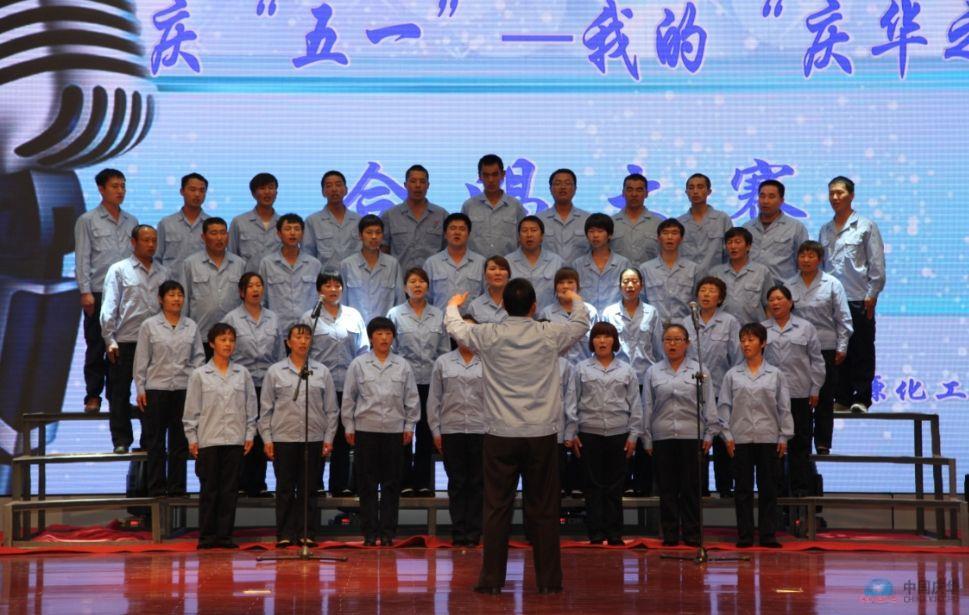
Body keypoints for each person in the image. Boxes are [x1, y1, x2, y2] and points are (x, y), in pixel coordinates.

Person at [444, 279, 590, 595]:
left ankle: (491, 580)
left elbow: (456, 328)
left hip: (500, 433)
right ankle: (549, 581)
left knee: (497, 508)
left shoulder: (489, 334)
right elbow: (581, 324)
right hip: (541, 433)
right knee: (545, 509)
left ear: (504, 307)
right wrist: (575, 298)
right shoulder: (549, 333)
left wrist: (453, 305)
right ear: (534, 306)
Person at [341, 317, 420, 546]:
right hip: (366, 430)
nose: (384, 338)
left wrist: (409, 426)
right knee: (366, 484)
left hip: (394, 431)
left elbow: (412, 399)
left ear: (393, 337)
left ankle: (387, 533)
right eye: (379, 334)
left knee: (391, 485)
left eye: (388, 333)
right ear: (371, 337)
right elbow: (349, 398)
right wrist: (349, 425)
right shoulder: (358, 364)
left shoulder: (402, 365)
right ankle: (369, 532)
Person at [260, 323, 339, 548]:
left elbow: (332, 409)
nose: (303, 341)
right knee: (284, 489)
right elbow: (266, 409)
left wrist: (329, 438)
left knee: (309, 489)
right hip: (283, 438)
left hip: (313, 438)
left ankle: (307, 533)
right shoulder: (275, 371)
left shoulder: (321, 371)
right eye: (298, 337)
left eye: (307, 338)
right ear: (288, 342)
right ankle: (285, 533)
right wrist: (267, 438)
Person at [716, 322, 793, 548]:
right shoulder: (732, 375)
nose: (746, 344)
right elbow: (724, 407)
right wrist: (727, 435)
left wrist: (784, 436)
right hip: (740, 438)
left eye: (751, 340)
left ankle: (768, 535)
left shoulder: (775, 374)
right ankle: (745, 535)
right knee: (742, 490)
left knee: (769, 489)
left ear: (763, 343)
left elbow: (784, 407)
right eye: (743, 340)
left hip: (769, 437)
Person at [564, 322, 642, 545]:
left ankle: (614, 532)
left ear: (614, 341)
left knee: (615, 487)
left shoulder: (626, 370)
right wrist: (572, 432)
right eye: (597, 336)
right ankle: (596, 533)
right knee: (592, 487)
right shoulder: (581, 369)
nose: (602, 341)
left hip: (619, 433)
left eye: (607, 336)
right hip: (589, 433)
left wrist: (634, 435)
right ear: (592, 342)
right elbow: (571, 401)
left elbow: (636, 404)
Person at [183, 322, 258, 549]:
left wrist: (250, 434)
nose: (228, 344)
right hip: (209, 439)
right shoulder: (199, 375)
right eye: (223, 340)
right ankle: (207, 537)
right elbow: (191, 411)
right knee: (209, 491)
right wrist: (192, 438)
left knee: (229, 491)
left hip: (235, 439)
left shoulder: (242, 374)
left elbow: (250, 408)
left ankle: (225, 536)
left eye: (231, 340)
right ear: (212, 343)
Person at [641, 323, 717, 547]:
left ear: (687, 343)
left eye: (677, 340)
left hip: (691, 435)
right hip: (662, 436)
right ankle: (670, 534)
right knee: (667, 488)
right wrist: (646, 437)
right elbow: (647, 405)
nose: (672, 344)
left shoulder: (699, 370)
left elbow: (708, 403)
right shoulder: (653, 371)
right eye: (668, 340)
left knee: (691, 488)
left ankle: (692, 533)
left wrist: (710, 433)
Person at [818, 176, 886, 414]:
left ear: (851, 195)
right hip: (832, 300)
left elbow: (876, 263)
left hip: (859, 298)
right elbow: (822, 266)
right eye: (831, 193)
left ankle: (861, 398)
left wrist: (872, 293)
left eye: (840, 193)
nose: (835, 197)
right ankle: (842, 397)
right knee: (838, 350)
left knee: (861, 348)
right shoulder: (825, 230)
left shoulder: (866, 226)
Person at [101, 225, 170, 453]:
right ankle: (121, 440)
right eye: (146, 240)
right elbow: (109, 305)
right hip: (125, 341)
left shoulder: (164, 273)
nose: (151, 245)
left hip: (154, 343)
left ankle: (149, 441)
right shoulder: (119, 270)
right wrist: (109, 339)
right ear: (133, 242)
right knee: (119, 392)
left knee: (152, 394)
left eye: (154, 240)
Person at [75, 168, 138, 413]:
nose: (120, 190)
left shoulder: (131, 221)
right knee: (96, 345)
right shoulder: (87, 220)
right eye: (115, 186)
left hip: (126, 295)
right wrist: (85, 291)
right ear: (101, 189)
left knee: (122, 349)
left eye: (123, 186)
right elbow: (82, 257)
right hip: (99, 291)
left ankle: (118, 397)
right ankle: (93, 395)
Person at [133, 280, 205, 497]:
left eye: (180, 295)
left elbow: (199, 357)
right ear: (160, 299)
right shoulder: (149, 325)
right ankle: (156, 488)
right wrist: (140, 387)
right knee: (155, 442)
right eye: (171, 295)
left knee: (179, 443)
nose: (176, 299)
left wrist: (194, 382)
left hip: (183, 389)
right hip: (156, 388)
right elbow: (141, 359)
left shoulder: (191, 326)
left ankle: (177, 488)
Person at [301, 271, 369, 496]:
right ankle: (315, 484)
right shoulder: (310, 317)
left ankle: (340, 486)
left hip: (349, 385)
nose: (333, 289)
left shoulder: (353, 315)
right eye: (327, 285)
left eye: (337, 285)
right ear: (319, 290)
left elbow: (363, 350)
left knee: (343, 436)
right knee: (317, 434)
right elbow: (302, 351)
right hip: (319, 385)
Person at [387, 267, 451, 496]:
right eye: (412, 282)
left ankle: (423, 482)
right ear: (405, 287)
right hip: (403, 381)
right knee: (403, 432)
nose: (417, 285)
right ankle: (404, 481)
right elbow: (391, 351)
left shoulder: (438, 315)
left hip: (431, 382)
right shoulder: (395, 314)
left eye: (422, 281)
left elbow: (444, 351)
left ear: (428, 287)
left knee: (426, 432)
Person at [600, 267, 663, 497]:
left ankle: (644, 484)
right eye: (626, 281)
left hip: (645, 377)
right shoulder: (609, 312)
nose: (630, 285)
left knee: (645, 429)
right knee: (621, 429)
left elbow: (658, 348)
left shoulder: (652, 313)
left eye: (634, 281)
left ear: (641, 286)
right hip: (618, 378)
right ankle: (623, 481)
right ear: (619, 285)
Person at [677, 276, 741, 498]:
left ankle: (725, 486)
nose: (706, 294)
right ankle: (700, 487)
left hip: (721, 388)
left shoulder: (730, 322)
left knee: (722, 436)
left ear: (720, 298)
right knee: (698, 439)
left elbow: (737, 356)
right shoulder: (687, 323)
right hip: (693, 390)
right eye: (703, 290)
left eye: (712, 291)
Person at [786, 241, 852, 455]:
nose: (806, 260)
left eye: (811, 256)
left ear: (820, 259)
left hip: (826, 346)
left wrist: (842, 346)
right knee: (799, 398)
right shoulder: (788, 285)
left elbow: (843, 318)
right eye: (802, 256)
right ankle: (799, 442)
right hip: (797, 349)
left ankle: (823, 442)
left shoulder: (832, 284)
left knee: (824, 396)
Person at [427, 314, 486, 546]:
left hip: (481, 429)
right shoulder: (443, 362)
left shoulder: (488, 360)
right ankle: (459, 532)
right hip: (451, 430)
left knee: (478, 483)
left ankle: (475, 532)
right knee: (457, 483)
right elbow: (434, 399)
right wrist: (435, 430)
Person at [223, 272, 283, 497]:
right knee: (243, 431)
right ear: (241, 292)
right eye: (250, 286)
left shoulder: (273, 318)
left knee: (265, 430)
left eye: (259, 285)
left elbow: (279, 353)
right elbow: (225, 351)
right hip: (241, 380)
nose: (256, 289)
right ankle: (240, 482)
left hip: (267, 381)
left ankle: (258, 483)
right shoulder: (231, 318)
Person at [762, 285, 825, 498]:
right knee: (773, 447)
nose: (775, 303)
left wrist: (815, 388)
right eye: (771, 299)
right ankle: (777, 495)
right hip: (770, 397)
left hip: (800, 395)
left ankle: (801, 493)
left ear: (790, 302)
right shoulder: (761, 329)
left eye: (779, 298)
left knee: (800, 445)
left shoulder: (806, 327)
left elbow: (817, 360)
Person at [181, 217, 245, 355]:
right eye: (214, 233)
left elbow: (245, 301)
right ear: (203, 237)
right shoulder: (190, 264)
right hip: (200, 336)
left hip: (232, 337)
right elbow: (184, 301)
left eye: (223, 233)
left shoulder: (240, 264)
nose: (219, 237)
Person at [258, 213, 322, 334]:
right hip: (277, 330)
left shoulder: (314, 264)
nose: (292, 233)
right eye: (287, 229)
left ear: (302, 234)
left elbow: (320, 300)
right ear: (279, 234)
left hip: (308, 330)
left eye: (297, 229)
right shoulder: (267, 263)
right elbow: (261, 299)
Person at [340, 214, 404, 324]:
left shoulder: (392, 264)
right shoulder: (347, 265)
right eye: (369, 232)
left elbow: (400, 301)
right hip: (355, 328)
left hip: (385, 329)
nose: (374, 237)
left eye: (378, 232)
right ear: (360, 235)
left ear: (382, 236)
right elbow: (342, 302)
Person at [381, 164, 447, 271]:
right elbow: (383, 251)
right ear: (405, 185)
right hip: (400, 278)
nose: (418, 185)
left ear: (428, 185)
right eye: (413, 181)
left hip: (434, 278)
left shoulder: (442, 215)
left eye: (422, 182)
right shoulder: (390, 215)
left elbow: (448, 249)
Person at [743, 179, 809, 283]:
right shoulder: (747, 228)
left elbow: (805, 262)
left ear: (781, 201)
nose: (765, 201)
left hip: (783, 288)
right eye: (762, 196)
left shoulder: (796, 227)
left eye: (771, 196)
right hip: (751, 287)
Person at [461, 154, 527, 257]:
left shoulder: (516, 206)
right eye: (486, 175)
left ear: (503, 175)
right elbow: (462, 239)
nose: (490, 180)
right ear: (480, 176)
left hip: (508, 264)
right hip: (476, 265)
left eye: (495, 174)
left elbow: (523, 239)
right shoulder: (469, 206)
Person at [709, 227, 774, 326]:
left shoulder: (762, 272)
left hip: (754, 330)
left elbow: (769, 305)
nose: (733, 246)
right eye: (729, 242)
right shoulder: (715, 273)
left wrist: (769, 330)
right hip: (722, 329)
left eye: (737, 242)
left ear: (748, 246)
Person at [640, 218, 698, 323]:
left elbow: (697, 302)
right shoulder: (645, 269)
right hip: (654, 326)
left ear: (681, 239)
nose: (669, 237)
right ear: (658, 238)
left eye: (674, 233)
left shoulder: (693, 268)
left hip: (684, 326)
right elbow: (641, 301)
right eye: (665, 233)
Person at [571, 213, 630, 314]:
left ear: (610, 234)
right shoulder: (577, 265)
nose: (595, 235)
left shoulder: (623, 264)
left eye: (600, 231)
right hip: (585, 318)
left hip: (615, 319)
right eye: (591, 231)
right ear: (586, 235)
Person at [423, 212, 485, 310]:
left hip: (471, 319)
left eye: (462, 229)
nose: (457, 232)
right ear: (445, 234)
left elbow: (485, 296)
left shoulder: (481, 263)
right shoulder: (431, 263)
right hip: (440, 319)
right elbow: (425, 298)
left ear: (468, 234)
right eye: (452, 228)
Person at [303, 170, 361, 273]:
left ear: (346, 190)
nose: (334, 189)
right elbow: (307, 255)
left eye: (338, 185)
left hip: (354, 278)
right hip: (324, 279)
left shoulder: (358, 220)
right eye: (329, 186)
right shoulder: (312, 221)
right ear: (323, 192)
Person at [538, 267, 597, 365]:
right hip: (557, 368)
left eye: (570, 282)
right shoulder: (546, 313)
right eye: (561, 282)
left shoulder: (590, 311)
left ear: (578, 286)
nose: (565, 286)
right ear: (555, 287)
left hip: (585, 368)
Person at [677, 173, 732, 276]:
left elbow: (730, 253)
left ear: (709, 191)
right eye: (691, 188)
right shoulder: (679, 223)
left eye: (700, 187)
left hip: (716, 279)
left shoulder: (722, 219)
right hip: (686, 279)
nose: (695, 191)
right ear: (686, 192)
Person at [506, 215, 565, 311]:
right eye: (524, 231)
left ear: (542, 236)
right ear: (518, 237)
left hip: (548, 317)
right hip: (518, 317)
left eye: (533, 230)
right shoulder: (507, 262)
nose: (529, 235)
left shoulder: (557, 262)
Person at [155, 173, 210, 273]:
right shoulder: (166, 224)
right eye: (192, 189)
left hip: (203, 281)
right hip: (172, 281)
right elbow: (156, 258)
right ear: (182, 191)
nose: (197, 194)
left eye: (202, 190)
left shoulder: (211, 225)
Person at [228, 172, 281, 273]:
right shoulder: (239, 222)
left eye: (271, 188)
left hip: (277, 280)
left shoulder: (284, 224)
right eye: (262, 188)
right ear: (253, 193)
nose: (267, 192)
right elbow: (231, 254)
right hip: (247, 279)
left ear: (276, 193)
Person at [537, 168, 590, 264]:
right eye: (557, 183)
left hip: (579, 272)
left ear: (575, 189)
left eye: (567, 183)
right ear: (550, 189)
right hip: (548, 272)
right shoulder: (539, 220)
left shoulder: (587, 219)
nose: (563, 187)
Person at [611, 172, 662, 265]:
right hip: (618, 274)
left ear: (646, 193)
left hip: (649, 274)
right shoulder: (611, 223)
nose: (634, 194)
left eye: (639, 190)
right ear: (623, 193)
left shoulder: (658, 224)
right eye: (629, 190)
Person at [466, 255, 510, 324]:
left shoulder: (517, 303)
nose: (498, 273)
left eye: (502, 269)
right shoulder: (474, 306)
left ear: (509, 275)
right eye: (492, 269)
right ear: (485, 275)